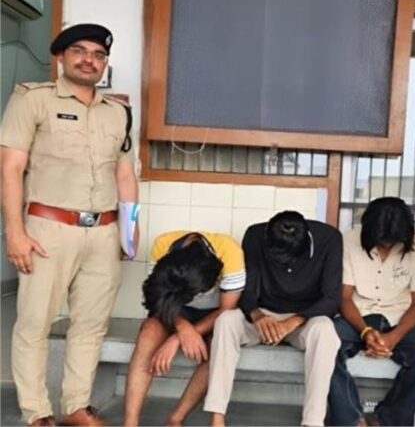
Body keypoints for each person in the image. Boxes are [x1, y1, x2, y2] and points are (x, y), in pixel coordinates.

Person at [0, 23, 138, 426]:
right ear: (61, 56)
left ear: (105, 62)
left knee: (91, 325)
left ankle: (76, 406)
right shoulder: (33, 99)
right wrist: (15, 232)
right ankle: (36, 412)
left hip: (104, 232)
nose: (88, 60)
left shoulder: (119, 112)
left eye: (98, 54)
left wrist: (129, 233)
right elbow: (10, 167)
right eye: (79, 51)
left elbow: (125, 175)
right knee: (34, 323)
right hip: (48, 228)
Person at [203, 211, 342, 427]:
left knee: (325, 331)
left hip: (304, 320)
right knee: (226, 321)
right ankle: (217, 417)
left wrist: (292, 322)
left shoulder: (330, 238)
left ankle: (313, 422)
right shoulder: (255, 234)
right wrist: (257, 315)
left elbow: (332, 298)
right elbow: (245, 288)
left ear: (305, 246)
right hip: (262, 317)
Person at [327, 197, 415, 427]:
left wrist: (393, 338)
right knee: (324, 348)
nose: (386, 247)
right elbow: (344, 297)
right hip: (356, 316)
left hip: (400, 318)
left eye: (392, 243)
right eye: (380, 242)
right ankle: (351, 421)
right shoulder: (349, 240)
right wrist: (365, 332)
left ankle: (385, 420)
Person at [123, 231, 245, 426]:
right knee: (148, 332)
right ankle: (130, 423)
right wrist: (182, 327)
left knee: (217, 348)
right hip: (174, 311)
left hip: (215, 314)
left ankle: (176, 419)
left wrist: (177, 338)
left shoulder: (230, 251)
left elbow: (226, 309)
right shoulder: (162, 244)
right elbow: (158, 298)